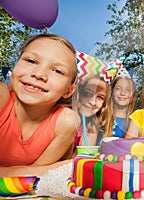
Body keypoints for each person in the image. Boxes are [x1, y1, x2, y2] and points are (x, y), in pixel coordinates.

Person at [0, 33, 79, 177]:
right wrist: (40, 171)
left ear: (68, 91)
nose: (39, 74)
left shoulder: (67, 121)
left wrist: (38, 171)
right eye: (30, 61)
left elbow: (35, 178)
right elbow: (40, 171)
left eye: (58, 71)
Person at [73, 75, 114, 149]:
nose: (93, 102)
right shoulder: (61, 116)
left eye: (100, 97)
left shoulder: (91, 129)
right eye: (87, 93)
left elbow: (82, 157)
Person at [109, 65, 136, 138]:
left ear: (133, 95)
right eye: (118, 88)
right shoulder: (103, 118)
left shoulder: (136, 121)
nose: (123, 93)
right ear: (112, 92)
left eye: (128, 90)